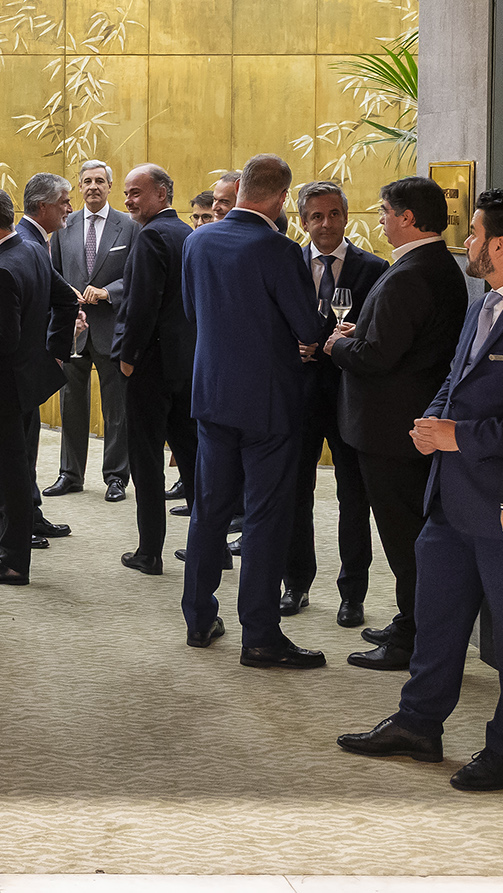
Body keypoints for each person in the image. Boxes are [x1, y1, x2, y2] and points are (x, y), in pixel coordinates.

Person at [339, 189, 503, 790]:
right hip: (447, 497)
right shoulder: (481, 300)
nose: (467, 243)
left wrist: (457, 436)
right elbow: (454, 380)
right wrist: (431, 421)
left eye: (475, 234)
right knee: (436, 619)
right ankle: (418, 724)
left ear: (500, 246)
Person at [178, 154, 328, 666]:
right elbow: (308, 327)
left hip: (211, 394)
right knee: (265, 516)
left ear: (240, 186)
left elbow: (192, 312)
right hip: (268, 404)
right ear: (283, 198)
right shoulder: (279, 249)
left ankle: (198, 619)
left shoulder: (197, 240)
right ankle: (260, 635)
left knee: (209, 510)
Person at [326, 176, 470, 672]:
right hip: (404, 423)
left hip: (392, 430)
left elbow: (376, 356)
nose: (381, 220)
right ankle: (410, 622)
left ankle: (412, 637)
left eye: (385, 212)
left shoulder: (412, 272)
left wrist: (338, 344)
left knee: (405, 539)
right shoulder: (432, 263)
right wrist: (361, 332)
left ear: (407, 217)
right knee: (409, 536)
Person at [0, 186, 74, 587]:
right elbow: (67, 301)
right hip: (25, 384)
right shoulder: (33, 250)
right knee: (18, 472)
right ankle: (10, 551)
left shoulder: (3, 268)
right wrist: (54, 353)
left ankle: (12, 562)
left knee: (8, 478)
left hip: (0, 390)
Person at [284, 181, 388, 625]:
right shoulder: (286, 263)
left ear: (346, 217)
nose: (325, 224)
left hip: (351, 398)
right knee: (295, 495)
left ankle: (353, 594)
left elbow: (380, 333)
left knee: (354, 498)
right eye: (316, 216)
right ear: (303, 221)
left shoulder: (375, 268)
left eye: (333, 214)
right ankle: (296, 584)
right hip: (297, 397)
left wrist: (342, 343)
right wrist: (290, 347)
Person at [112, 164, 198, 576]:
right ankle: (211, 547)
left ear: (162, 194)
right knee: (193, 458)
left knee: (146, 461)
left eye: (136, 192)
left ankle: (149, 552)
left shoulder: (151, 237)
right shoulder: (190, 234)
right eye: (127, 193)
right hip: (187, 364)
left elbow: (140, 305)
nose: (128, 200)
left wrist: (127, 357)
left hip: (149, 367)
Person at [48, 159, 137, 502]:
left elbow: (136, 275)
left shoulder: (128, 226)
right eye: (87, 181)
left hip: (112, 328)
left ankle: (116, 477)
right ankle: (70, 474)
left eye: (100, 180)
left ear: (110, 186)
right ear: (80, 186)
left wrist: (108, 292)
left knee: (117, 409)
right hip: (73, 329)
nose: (93, 186)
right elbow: (54, 273)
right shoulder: (64, 225)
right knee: (71, 404)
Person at [0, 172, 76, 552]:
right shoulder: (27, 243)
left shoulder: (35, 240)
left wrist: (56, 350)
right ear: (43, 206)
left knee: (25, 447)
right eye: (64, 201)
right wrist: (55, 350)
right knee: (14, 453)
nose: (70, 208)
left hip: (29, 367)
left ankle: (29, 513)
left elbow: (65, 298)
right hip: (18, 369)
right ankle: (14, 525)